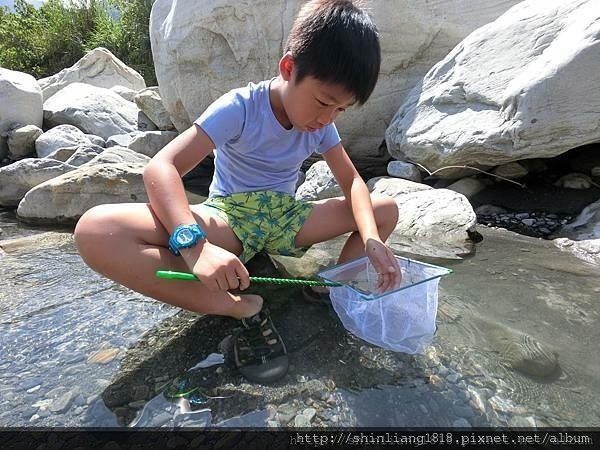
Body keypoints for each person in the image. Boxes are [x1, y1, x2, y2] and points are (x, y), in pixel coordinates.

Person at [74, 0, 401, 384]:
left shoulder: (321, 124)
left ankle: (325, 289)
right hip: (231, 218)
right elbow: (161, 168)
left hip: (285, 218)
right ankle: (241, 307)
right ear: (289, 68)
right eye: (324, 102)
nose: (327, 119)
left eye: (341, 110)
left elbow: (353, 183)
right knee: (95, 230)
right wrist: (194, 246)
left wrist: (372, 240)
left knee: (385, 209)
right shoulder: (241, 107)